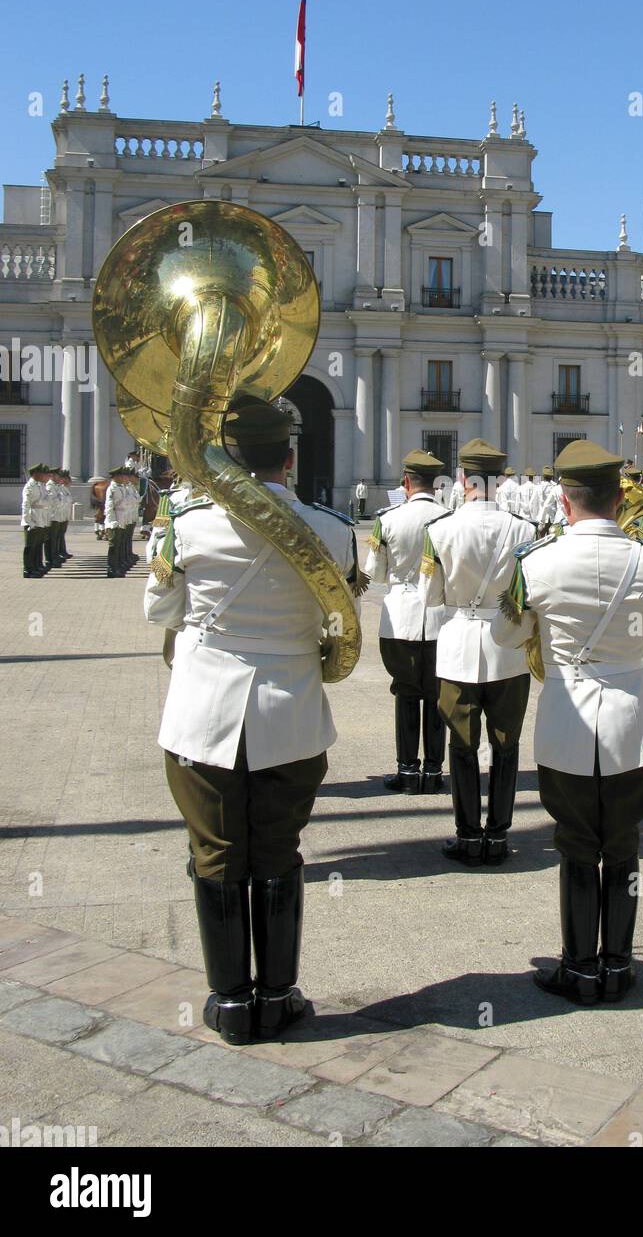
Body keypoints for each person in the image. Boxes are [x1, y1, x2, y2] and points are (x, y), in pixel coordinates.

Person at [144, 396, 358, 1045]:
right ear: (289, 457)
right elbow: (338, 621)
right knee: (278, 851)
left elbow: (161, 613)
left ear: (226, 458)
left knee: (215, 853)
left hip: (201, 717)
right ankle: (279, 994)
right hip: (289, 717)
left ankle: (231, 1002)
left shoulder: (185, 523)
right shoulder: (333, 529)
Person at [491, 441, 643, 1004]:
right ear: (621, 497)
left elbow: (505, 635)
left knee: (576, 844)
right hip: (634, 722)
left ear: (565, 499)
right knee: (622, 843)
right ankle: (619, 966)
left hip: (567, 722)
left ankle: (579, 968)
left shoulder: (536, 561)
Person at [418, 439, 537, 863]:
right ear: (500, 480)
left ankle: (469, 835)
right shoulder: (525, 529)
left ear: (463, 479)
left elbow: (430, 597)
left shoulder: (440, 529)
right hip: (507, 646)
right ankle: (499, 835)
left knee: (462, 745)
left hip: (459, 646)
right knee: (506, 746)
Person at [363, 449, 450, 792]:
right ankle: (434, 770)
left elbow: (376, 572)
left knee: (406, 693)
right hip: (441, 618)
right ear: (436, 482)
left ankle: (407, 770)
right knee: (437, 694)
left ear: (406, 482)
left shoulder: (387, 519)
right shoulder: (449, 517)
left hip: (400, 618)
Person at [21, 463, 49, 578]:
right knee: (30, 546)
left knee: (37, 545)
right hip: (32, 520)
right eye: (41, 473)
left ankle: (36, 566)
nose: (43, 475)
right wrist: (28, 521)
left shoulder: (38, 485)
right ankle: (28, 570)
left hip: (39, 519)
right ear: (35, 474)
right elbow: (26, 505)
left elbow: (44, 501)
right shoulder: (29, 486)